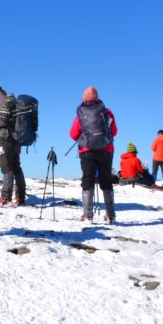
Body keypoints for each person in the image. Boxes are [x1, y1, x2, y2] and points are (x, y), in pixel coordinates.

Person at [69, 86, 118, 223]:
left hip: (87, 151)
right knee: (106, 181)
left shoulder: (81, 113)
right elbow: (114, 132)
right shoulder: (107, 112)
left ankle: (88, 215)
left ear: (84, 98)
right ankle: (111, 215)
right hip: (106, 150)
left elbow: (73, 134)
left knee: (88, 180)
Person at [0, 86, 26, 207]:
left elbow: (3, 122)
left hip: (5, 140)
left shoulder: (5, 103)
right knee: (16, 167)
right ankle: (20, 197)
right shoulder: (14, 102)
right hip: (16, 141)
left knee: (6, 168)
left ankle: (5, 198)